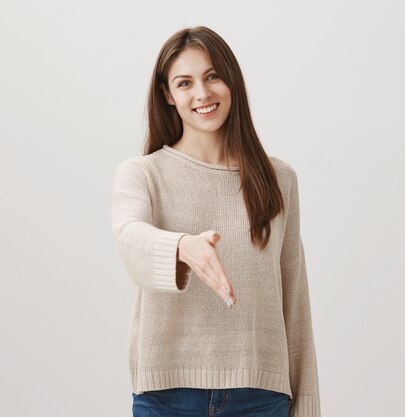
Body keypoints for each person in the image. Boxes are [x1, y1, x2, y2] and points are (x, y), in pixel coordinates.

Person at [111, 26, 321, 417]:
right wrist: (181, 247)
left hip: (262, 397)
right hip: (167, 397)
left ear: (232, 81)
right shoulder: (142, 174)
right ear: (168, 95)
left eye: (212, 76)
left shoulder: (279, 180)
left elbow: (295, 299)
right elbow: (129, 238)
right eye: (185, 82)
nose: (203, 94)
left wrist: (307, 404)